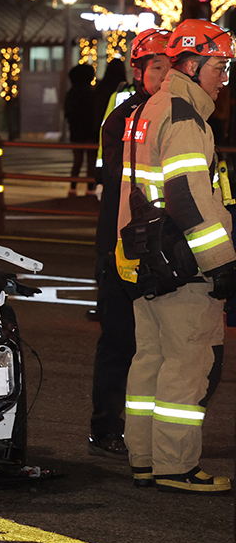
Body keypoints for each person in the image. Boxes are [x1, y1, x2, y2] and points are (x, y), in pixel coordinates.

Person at [116, 18, 236, 494]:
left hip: (149, 257)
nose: (224, 79)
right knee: (187, 363)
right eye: (220, 67)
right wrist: (221, 262)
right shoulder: (185, 115)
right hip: (183, 264)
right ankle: (177, 466)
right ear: (192, 63)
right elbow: (188, 197)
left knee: (151, 359)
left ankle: (144, 460)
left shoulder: (149, 108)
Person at [88, 28, 172, 460]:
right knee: (120, 341)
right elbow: (118, 187)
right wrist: (108, 251)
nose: (165, 74)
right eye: (157, 66)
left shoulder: (179, 114)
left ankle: (149, 433)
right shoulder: (124, 118)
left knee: (159, 347)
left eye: (171, 66)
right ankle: (105, 427)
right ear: (139, 71)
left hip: (162, 249)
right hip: (124, 246)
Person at [65, 63, 97, 195]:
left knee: (77, 160)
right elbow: (94, 113)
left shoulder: (71, 93)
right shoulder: (91, 93)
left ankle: (73, 186)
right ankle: (90, 187)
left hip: (76, 131)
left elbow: (68, 113)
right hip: (89, 131)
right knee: (90, 160)